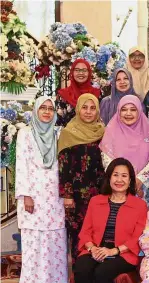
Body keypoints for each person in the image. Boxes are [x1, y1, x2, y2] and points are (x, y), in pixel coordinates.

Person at [74, 158, 148, 283]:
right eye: (115, 175)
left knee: (102, 272)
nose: (119, 180)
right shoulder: (95, 201)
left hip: (123, 253)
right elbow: (85, 231)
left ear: (131, 180)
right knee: (81, 269)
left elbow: (138, 237)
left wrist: (114, 250)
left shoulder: (139, 205)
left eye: (124, 176)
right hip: (95, 249)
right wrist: (92, 248)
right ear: (108, 178)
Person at [15, 96, 68, 283]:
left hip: (54, 195)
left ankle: (54, 282)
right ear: (36, 111)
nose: (47, 112)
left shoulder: (59, 133)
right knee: (34, 238)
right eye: (43, 108)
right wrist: (26, 194)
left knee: (55, 237)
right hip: (34, 195)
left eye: (50, 109)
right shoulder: (25, 134)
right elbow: (21, 165)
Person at [58, 93, 105, 264]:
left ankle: (95, 273)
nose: (88, 112)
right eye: (84, 107)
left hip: (99, 193)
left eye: (92, 108)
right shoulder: (68, 133)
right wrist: (67, 195)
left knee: (98, 231)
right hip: (76, 196)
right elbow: (63, 167)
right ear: (78, 109)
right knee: (78, 234)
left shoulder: (102, 131)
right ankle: (79, 275)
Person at [100, 95, 149, 207]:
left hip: (143, 187)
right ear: (118, 111)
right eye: (124, 110)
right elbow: (106, 158)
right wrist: (124, 180)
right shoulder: (111, 130)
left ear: (140, 111)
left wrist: (139, 180)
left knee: (142, 221)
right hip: (118, 186)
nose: (128, 113)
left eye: (133, 109)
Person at [56, 58, 101, 127]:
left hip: (93, 136)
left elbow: (100, 120)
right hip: (69, 136)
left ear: (89, 73)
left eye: (84, 70)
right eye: (77, 70)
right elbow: (59, 121)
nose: (81, 73)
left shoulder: (97, 94)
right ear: (72, 72)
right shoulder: (63, 95)